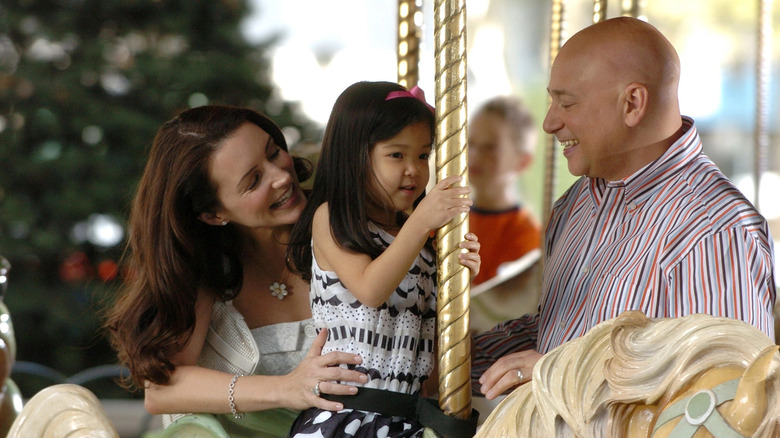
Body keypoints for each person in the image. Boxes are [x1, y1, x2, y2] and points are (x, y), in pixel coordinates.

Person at [473, 16, 776, 400]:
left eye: (567, 103)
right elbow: (556, 331)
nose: (550, 122)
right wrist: (446, 356)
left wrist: (565, 370)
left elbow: (727, 396)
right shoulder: (578, 204)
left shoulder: (715, 229)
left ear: (632, 103)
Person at [104, 105, 366, 438]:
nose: (282, 176)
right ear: (212, 214)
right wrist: (285, 388)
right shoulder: (205, 272)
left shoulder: (345, 232)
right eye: (254, 180)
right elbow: (162, 390)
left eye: (274, 152)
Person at [286, 81, 481, 437]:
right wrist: (422, 223)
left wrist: (459, 277)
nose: (414, 170)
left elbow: (433, 339)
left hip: (406, 418)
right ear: (355, 155)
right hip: (350, 413)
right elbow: (370, 289)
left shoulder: (416, 240)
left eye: (423, 155)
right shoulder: (333, 219)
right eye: (397, 155)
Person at [468, 96, 541, 286]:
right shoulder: (447, 216)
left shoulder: (526, 234)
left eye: (490, 147)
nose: (474, 156)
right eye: (471, 144)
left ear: (522, 161)